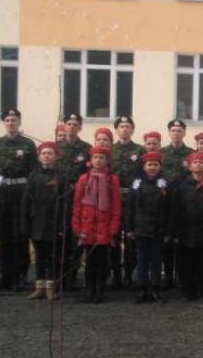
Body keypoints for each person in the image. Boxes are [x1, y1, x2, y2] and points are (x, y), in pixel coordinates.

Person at [0, 108, 37, 291]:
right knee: (4, 237)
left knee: (21, 236)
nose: (10, 123)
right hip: (2, 194)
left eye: (14, 120)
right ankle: (6, 276)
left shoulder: (27, 144)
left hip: (21, 193)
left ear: (19, 122)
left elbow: (33, 171)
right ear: (4, 123)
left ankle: (21, 275)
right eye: (8, 120)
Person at [170, 152, 203, 301]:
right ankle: (188, 291)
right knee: (186, 263)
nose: (198, 164)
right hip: (185, 232)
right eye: (195, 162)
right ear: (190, 166)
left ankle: (202, 290)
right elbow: (176, 211)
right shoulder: (182, 187)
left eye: (201, 162)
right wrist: (175, 232)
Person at [72, 146, 121, 304]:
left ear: (107, 161)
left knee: (101, 260)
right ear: (91, 160)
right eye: (95, 157)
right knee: (89, 260)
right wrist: (77, 226)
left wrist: (113, 227)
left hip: (104, 227)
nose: (98, 160)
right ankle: (89, 288)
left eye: (101, 158)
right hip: (87, 227)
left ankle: (100, 288)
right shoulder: (83, 179)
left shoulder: (112, 180)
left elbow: (116, 206)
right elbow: (77, 205)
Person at [21, 141, 65, 302]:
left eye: (50, 153)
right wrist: (25, 223)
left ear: (56, 156)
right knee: (39, 256)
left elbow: (65, 203)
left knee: (53, 257)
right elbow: (26, 202)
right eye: (44, 153)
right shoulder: (33, 177)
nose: (47, 156)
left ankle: (51, 288)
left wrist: (63, 225)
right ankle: (39, 287)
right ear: (39, 157)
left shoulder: (61, 177)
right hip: (37, 223)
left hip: (54, 224)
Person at [126, 151, 170, 304]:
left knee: (157, 261)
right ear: (144, 167)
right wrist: (129, 228)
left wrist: (168, 231)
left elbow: (170, 209)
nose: (152, 167)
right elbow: (130, 207)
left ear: (160, 167)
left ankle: (155, 289)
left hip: (158, 229)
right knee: (142, 260)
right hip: (141, 229)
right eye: (149, 165)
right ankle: (142, 289)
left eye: (155, 165)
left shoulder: (165, 184)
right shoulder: (136, 184)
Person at [56, 112, 90, 289]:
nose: (72, 127)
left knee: (76, 237)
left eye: (75, 124)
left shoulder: (86, 149)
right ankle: (58, 276)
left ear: (80, 127)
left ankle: (72, 276)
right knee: (60, 236)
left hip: (79, 198)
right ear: (64, 126)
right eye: (69, 124)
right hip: (59, 199)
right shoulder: (56, 147)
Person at [111, 116, 145, 289]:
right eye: (122, 126)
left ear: (132, 130)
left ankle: (129, 275)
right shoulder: (110, 150)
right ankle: (116, 275)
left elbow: (143, 175)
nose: (124, 129)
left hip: (132, 200)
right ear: (116, 129)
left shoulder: (140, 150)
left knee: (131, 239)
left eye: (128, 126)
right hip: (114, 200)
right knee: (114, 238)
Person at [160, 119, 193, 290]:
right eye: (173, 130)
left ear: (184, 133)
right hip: (165, 202)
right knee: (167, 240)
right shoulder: (161, 153)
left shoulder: (191, 154)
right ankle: (167, 276)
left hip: (184, 202)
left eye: (179, 130)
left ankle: (181, 275)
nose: (176, 133)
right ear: (169, 132)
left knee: (181, 240)